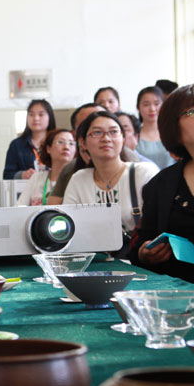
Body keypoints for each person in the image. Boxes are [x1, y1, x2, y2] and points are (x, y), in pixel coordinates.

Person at [63, 111, 157, 246]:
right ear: (82, 143)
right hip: (93, 261)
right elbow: (69, 228)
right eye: (97, 132)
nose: (106, 138)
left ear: (123, 138)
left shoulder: (143, 173)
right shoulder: (79, 179)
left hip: (138, 258)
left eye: (113, 132)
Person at [131, 84, 194, 283]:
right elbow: (142, 243)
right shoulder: (161, 184)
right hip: (180, 297)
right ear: (174, 128)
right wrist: (145, 253)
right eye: (192, 111)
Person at [16, 129, 76, 206]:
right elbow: (19, 206)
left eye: (71, 143)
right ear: (48, 148)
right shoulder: (36, 178)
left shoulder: (77, 179)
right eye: (60, 142)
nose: (66, 147)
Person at [3, 99, 56, 179]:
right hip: (25, 189)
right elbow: (7, 175)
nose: (36, 118)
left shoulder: (57, 143)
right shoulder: (16, 145)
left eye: (41, 114)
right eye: (31, 114)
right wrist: (22, 175)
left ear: (50, 117)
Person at [135, 86, 175, 169]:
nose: (152, 109)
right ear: (138, 107)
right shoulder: (133, 135)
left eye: (157, 104)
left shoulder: (172, 132)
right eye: (146, 104)